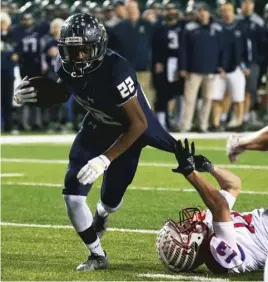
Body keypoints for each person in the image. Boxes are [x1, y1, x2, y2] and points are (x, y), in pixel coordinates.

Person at [14, 13, 177, 271]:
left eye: (84, 50)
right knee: (72, 193)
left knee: (111, 201)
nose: (77, 57)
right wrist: (32, 94)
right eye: (72, 50)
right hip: (95, 127)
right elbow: (63, 91)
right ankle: (96, 254)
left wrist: (105, 158)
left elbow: (139, 123)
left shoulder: (116, 69)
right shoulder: (63, 65)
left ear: (98, 47)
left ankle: (102, 214)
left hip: (127, 134)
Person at [157, 139, 268, 274]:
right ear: (189, 249)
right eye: (183, 232)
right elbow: (220, 206)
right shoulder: (217, 257)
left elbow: (233, 185)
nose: (185, 225)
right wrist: (190, 173)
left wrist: (209, 167)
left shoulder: (208, 226)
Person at [179, 2, 226, 133]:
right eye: (200, 11)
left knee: (208, 99)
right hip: (193, 70)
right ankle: (186, 125)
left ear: (209, 12)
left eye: (204, 11)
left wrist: (221, 66)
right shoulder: (190, 28)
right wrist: (183, 67)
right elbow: (183, 50)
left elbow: (222, 49)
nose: (202, 13)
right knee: (189, 100)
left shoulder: (217, 28)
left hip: (211, 70)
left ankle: (203, 125)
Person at [108, 1, 154, 107]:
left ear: (138, 9)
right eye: (130, 9)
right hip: (126, 71)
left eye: (134, 8)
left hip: (144, 69)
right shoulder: (118, 28)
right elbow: (112, 50)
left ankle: (149, 122)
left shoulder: (147, 26)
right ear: (126, 11)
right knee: (128, 100)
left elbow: (155, 46)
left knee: (146, 98)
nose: (132, 11)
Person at [212, 2, 248, 131]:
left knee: (239, 98)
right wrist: (217, 66)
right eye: (224, 10)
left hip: (236, 67)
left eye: (229, 10)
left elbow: (245, 48)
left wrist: (245, 65)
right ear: (221, 12)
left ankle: (239, 122)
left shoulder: (240, 27)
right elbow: (213, 49)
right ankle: (216, 123)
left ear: (233, 11)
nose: (226, 13)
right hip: (219, 69)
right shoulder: (217, 28)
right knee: (216, 98)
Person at [151, 0, 184, 130]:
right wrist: (157, 61)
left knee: (176, 93)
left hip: (179, 63)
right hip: (164, 63)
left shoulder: (182, 26)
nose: (171, 11)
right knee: (162, 93)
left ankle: (173, 119)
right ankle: (161, 122)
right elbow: (154, 47)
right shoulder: (159, 27)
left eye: (173, 9)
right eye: (169, 9)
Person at [237, 0, 265, 127]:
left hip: (253, 62)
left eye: (249, 3)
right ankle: (235, 117)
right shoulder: (237, 21)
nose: (247, 6)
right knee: (236, 92)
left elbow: (263, 44)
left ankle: (245, 117)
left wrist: (258, 60)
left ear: (253, 5)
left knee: (250, 90)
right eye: (245, 3)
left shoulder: (258, 22)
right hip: (236, 62)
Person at [1, 11, 18, 132]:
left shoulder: (13, 36)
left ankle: (8, 125)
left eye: (4, 23)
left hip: (8, 72)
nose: (2, 25)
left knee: (7, 100)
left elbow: (17, 53)